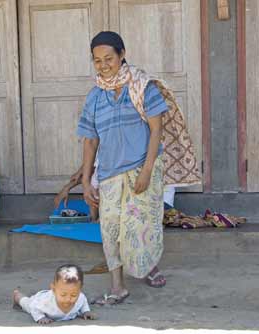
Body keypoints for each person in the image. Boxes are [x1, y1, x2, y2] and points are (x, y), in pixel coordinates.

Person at [77, 31, 171, 305]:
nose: (104, 65)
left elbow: (156, 131)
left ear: (122, 54)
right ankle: (117, 285)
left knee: (142, 225)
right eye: (97, 60)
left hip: (141, 169)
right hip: (109, 174)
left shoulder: (142, 86)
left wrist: (147, 170)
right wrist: (86, 181)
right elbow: (90, 140)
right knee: (111, 230)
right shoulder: (94, 97)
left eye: (109, 58)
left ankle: (148, 266)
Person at [12, 264, 96, 324]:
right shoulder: (45, 302)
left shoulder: (80, 298)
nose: (68, 299)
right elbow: (34, 307)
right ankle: (17, 295)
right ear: (53, 289)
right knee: (26, 303)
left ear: (80, 289)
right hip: (37, 300)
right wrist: (41, 317)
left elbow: (83, 300)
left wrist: (86, 311)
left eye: (73, 295)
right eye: (63, 295)